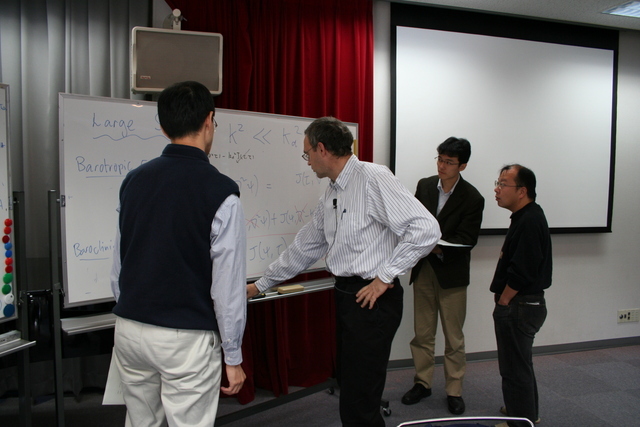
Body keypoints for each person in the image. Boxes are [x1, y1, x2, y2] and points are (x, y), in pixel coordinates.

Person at [247, 116, 441, 426]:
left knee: (360, 395)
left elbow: (426, 229)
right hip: (347, 295)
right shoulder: (333, 192)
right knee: (351, 388)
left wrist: (385, 276)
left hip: (372, 300)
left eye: (307, 153)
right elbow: (306, 246)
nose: (307, 161)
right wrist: (261, 284)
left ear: (322, 149)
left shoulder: (373, 178)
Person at [110, 81, 247, 426]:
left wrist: (133, 312)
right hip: (185, 338)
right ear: (209, 120)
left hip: (130, 329)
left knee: (141, 422)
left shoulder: (133, 181)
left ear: (162, 126)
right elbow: (227, 288)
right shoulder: (222, 192)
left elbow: (119, 265)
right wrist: (233, 356)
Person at [402, 137, 484, 415]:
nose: (442, 165)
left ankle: (454, 390)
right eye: (439, 159)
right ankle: (422, 383)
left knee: (453, 337)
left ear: (463, 166)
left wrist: (435, 246)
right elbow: (413, 221)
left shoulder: (472, 197)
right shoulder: (425, 185)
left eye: (449, 162)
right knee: (422, 333)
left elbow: (467, 239)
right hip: (424, 269)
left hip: (451, 273)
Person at [491, 164, 551, 427]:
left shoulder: (529, 220)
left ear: (522, 191)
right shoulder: (526, 216)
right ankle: (525, 412)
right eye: (498, 183)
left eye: (503, 184)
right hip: (525, 304)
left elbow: (523, 270)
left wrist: (504, 300)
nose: (497, 189)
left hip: (520, 305)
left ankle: (519, 421)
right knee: (520, 364)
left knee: (514, 367)